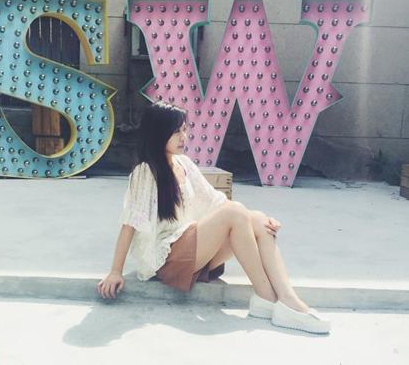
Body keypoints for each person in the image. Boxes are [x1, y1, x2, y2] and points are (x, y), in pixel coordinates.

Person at [97, 101, 330, 334]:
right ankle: (266, 296)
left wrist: (260, 219)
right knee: (236, 212)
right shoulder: (145, 172)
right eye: (176, 132)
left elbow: (216, 201)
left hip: (190, 249)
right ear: (158, 133)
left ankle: (288, 299)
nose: (184, 137)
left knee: (258, 219)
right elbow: (129, 225)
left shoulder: (183, 163)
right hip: (167, 260)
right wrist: (115, 271)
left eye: (184, 130)